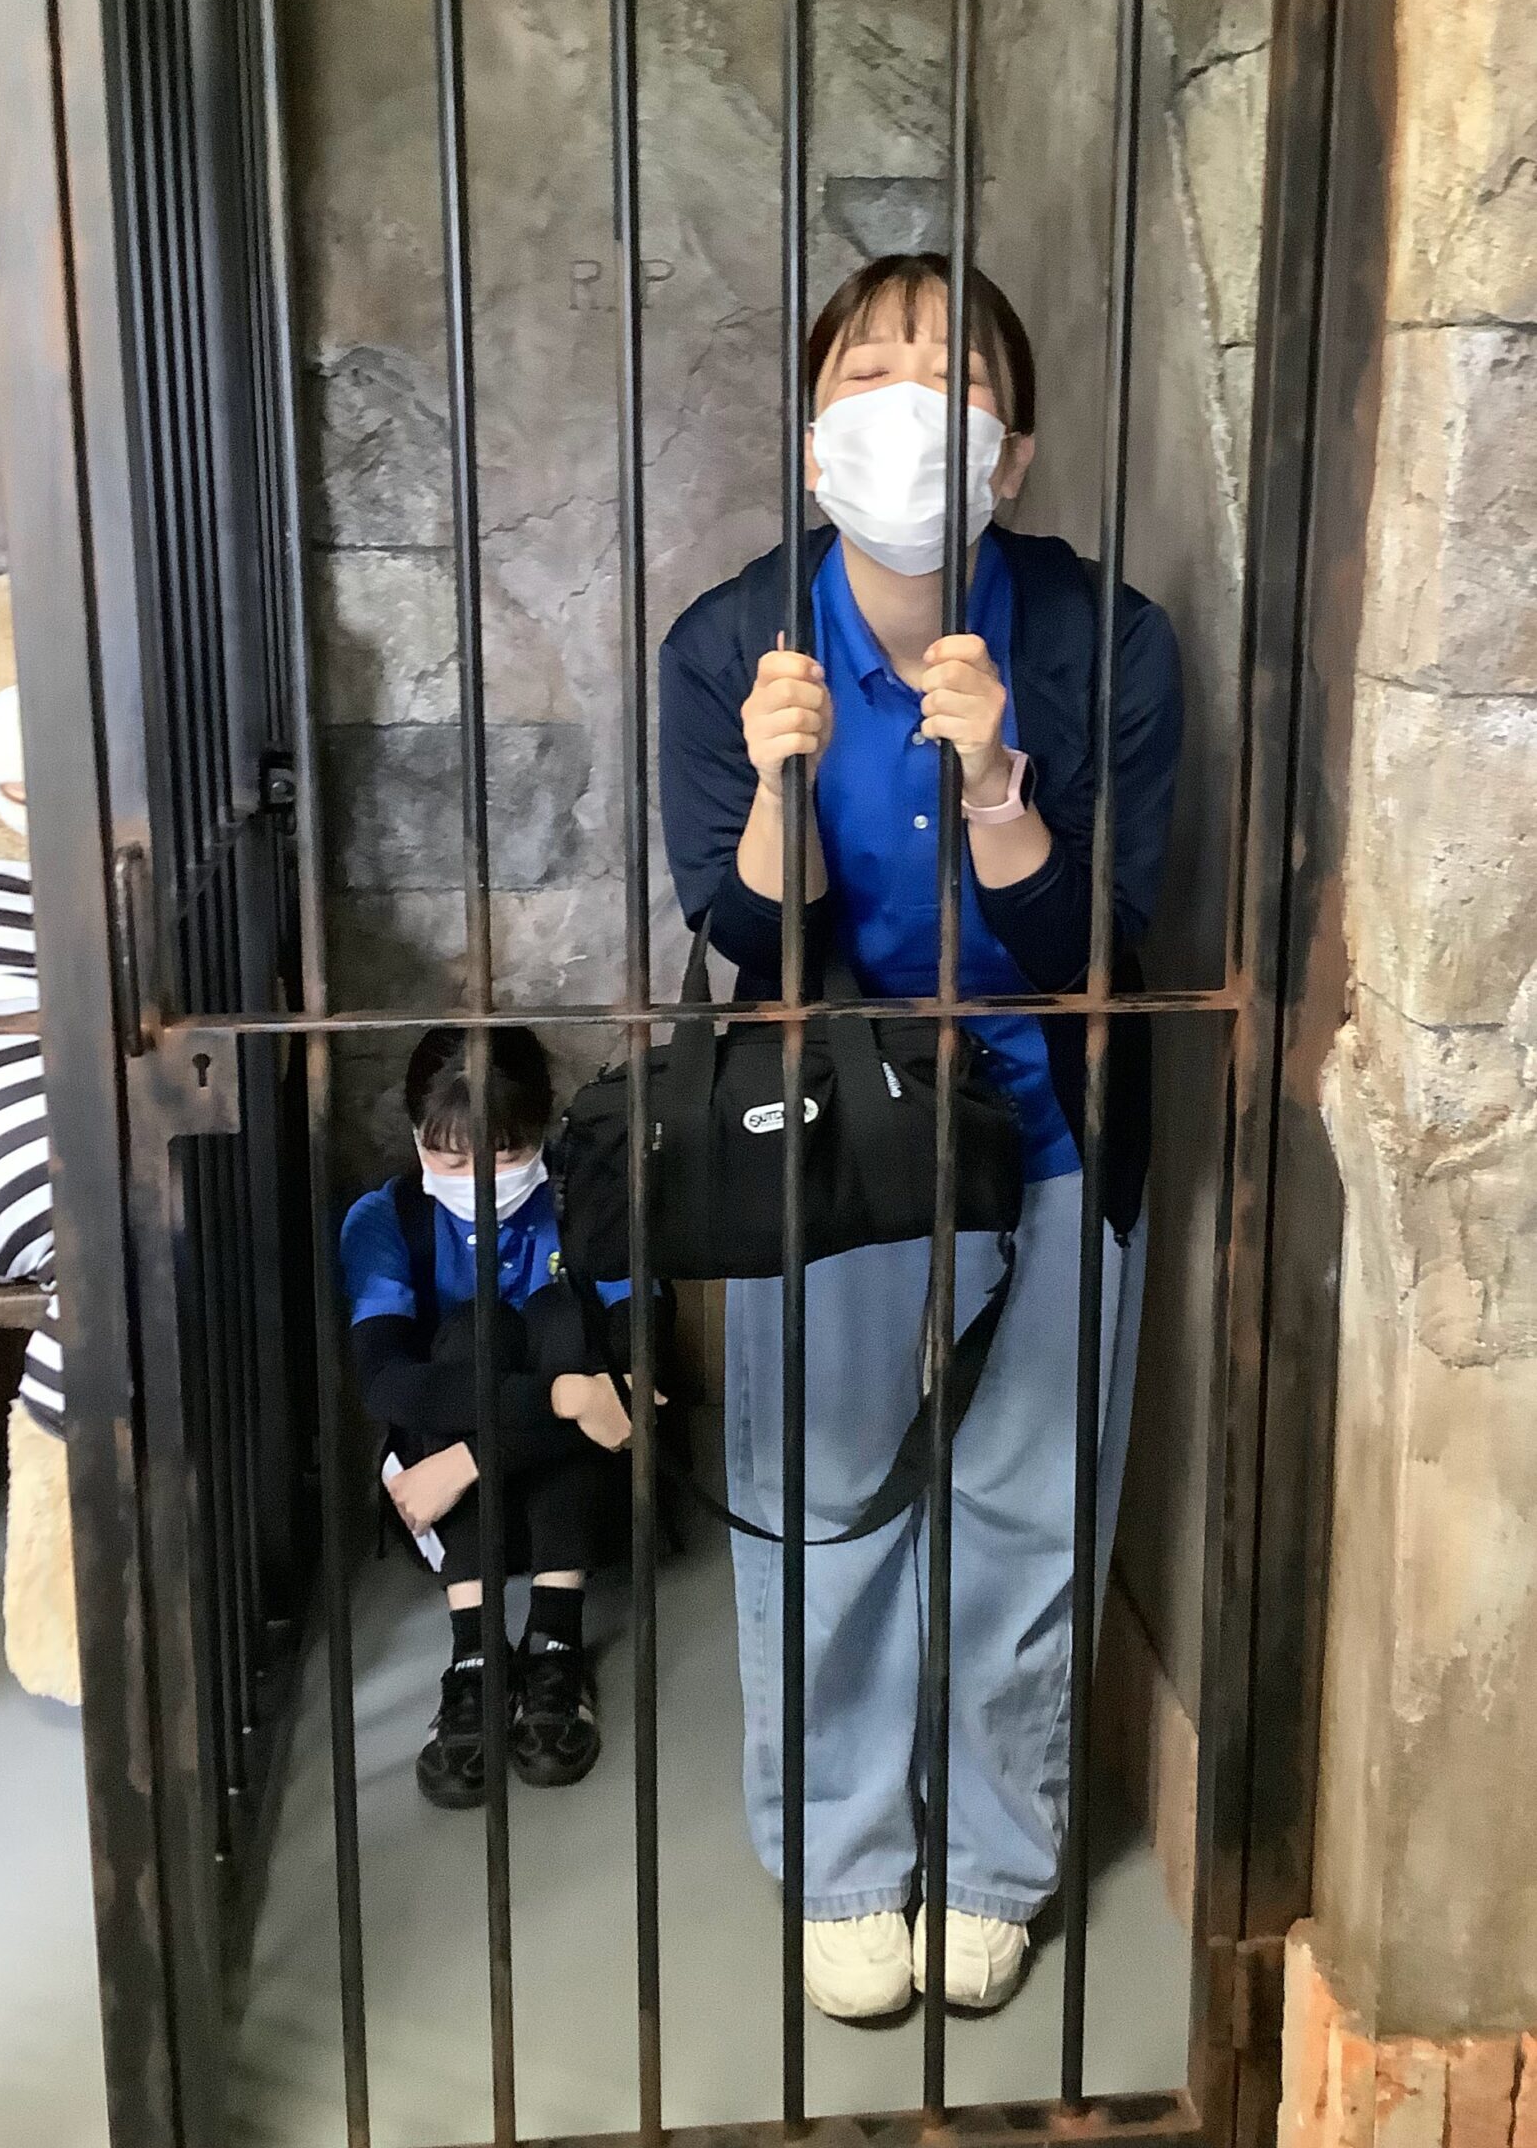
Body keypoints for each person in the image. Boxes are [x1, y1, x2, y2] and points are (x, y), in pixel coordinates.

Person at [657, 252, 1182, 2021]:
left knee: (1030, 1503)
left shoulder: (1106, 641)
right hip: (834, 1141)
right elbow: (752, 943)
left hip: (1053, 1117)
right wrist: (779, 786)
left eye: (952, 374)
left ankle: (999, 1862)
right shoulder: (730, 644)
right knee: (823, 1504)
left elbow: (1104, 944)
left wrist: (1000, 791)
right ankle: (845, 1861)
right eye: (867, 371)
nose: (907, 403)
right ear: (814, 443)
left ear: (1010, 452)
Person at [341, 1024, 648, 1810]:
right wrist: (564, 1399)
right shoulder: (385, 1220)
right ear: (417, 1140)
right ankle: (474, 1656)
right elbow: (388, 1384)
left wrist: (470, 1459)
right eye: (451, 1159)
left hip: (559, 1492)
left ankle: (556, 1640)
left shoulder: (588, 1200)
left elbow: (636, 1374)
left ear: (543, 1130)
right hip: (451, 1498)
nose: (479, 1178)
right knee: (471, 1335)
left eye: (505, 1153)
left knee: (561, 1323)